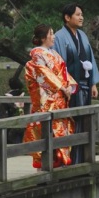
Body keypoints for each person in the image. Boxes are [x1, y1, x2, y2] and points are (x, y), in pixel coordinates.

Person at [52, 3, 99, 164]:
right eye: (78, 14)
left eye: (82, 14)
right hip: (70, 88)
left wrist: (93, 83)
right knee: (71, 121)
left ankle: (81, 159)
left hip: (85, 85)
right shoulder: (59, 37)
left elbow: (90, 59)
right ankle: (69, 160)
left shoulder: (83, 35)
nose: (81, 17)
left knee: (84, 121)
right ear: (67, 17)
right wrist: (65, 85)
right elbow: (59, 64)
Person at [23, 24, 78, 169]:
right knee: (47, 132)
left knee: (60, 131)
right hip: (47, 100)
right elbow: (43, 75)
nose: (53, 37)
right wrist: (60, 87)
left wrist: (68, 87)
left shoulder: (54, 54)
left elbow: (63, 73)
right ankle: (46, 167)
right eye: (51, 34)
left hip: (60, 99)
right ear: (43, 38)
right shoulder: (37, 54)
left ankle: (58, 163)